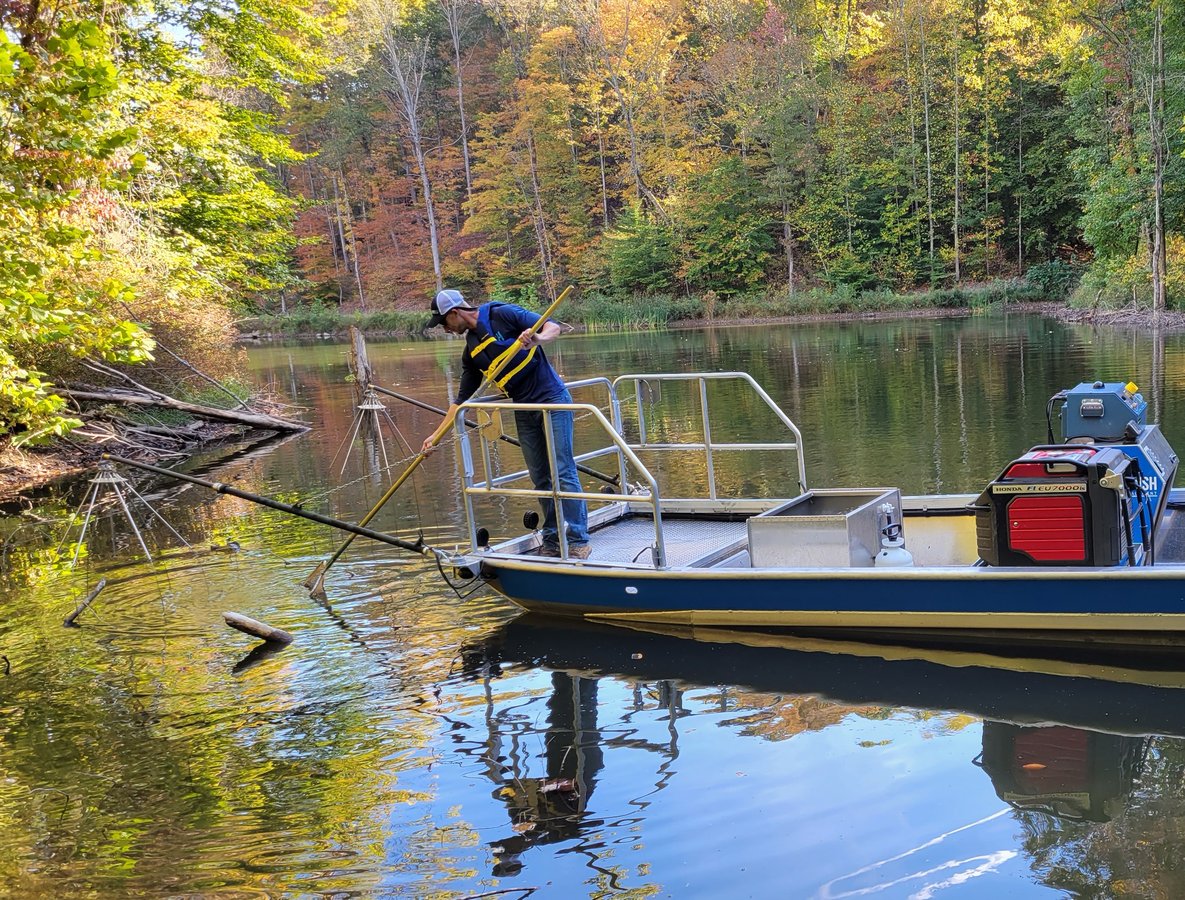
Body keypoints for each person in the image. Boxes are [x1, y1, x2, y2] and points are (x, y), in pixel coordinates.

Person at [421, 289, 591, 559]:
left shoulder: (503, 314)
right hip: (522, 409)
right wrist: (436, 436)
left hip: (553, 401)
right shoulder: (472, 353)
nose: (444, 329)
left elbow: (552, 326)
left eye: (444, 323)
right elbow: (461, 402)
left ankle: (579, 539)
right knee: (540, 477)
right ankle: (552, 541)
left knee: (563, 469)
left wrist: (536, 339)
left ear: (455, 313)